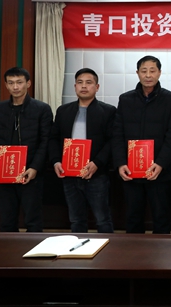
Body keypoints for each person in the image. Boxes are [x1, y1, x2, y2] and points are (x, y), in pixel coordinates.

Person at [112, 56, 171, 234]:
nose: (148, 75)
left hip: (160, 171)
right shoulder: (126, 99)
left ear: (159, 73)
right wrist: (120, 163)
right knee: (133, 217)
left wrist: (160, 164)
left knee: (161, 217)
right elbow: (117, 134)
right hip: (131, 171)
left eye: (152, 71)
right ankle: (134, 252)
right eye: (144, 71)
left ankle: (162, 252)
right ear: (137, 73)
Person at [0, 67, 53, 232]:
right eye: (11, 83)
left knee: (33, 220)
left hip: (30, 173)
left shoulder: (41, 109)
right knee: (6, 221)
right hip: (4, 172)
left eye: (19, 82)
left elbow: (45, 142)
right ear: (6, 85)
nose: (15, 87)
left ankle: (33, 248)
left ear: (28, 83)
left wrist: (35, 168)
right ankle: (8, 249)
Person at [49, 68, 116, 233]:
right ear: (75, 87)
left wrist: (97, 163)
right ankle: (78, 247)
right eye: (80, 82)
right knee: (76, 220)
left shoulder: (108, 111)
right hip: (69, 175)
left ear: (97, 87)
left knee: (102, 219)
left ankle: (108, 249)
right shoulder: (63, 111)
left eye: (89, 82)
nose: (84, 86)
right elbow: (53, 139)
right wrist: (56, 161)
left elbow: (112, 141)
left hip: (96, 174)